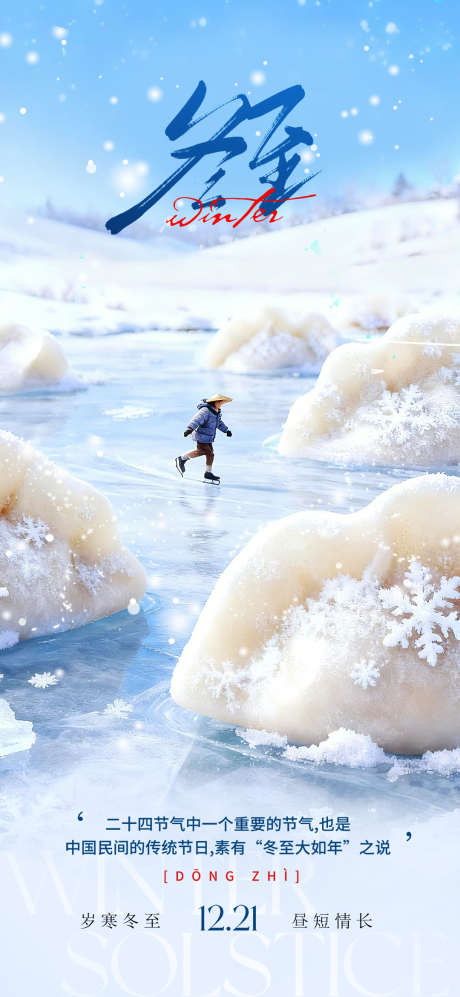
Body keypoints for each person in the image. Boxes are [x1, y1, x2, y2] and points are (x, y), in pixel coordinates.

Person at [175, 394, 232, 484]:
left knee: (209, 453)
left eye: (221, 403)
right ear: (215, 402)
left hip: (208, 437)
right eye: (220, 402)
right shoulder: (206, 410)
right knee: (208, 452)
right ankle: (182, 459)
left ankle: (207, 472)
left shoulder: (216, 412)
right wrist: (190, 429)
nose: (221, 404)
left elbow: (219, 423)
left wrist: (226, 430)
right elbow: (197, 419)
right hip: (201, 435)